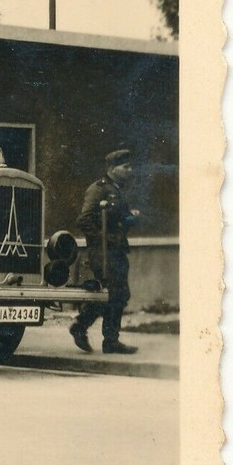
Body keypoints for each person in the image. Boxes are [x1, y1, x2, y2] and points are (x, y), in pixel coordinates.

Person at [70, 149, 140, 354]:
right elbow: (84, 219)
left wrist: (130, 218)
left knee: (119, 294)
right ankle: (93, 332)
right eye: (125, 167)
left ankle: (100, 335)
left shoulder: (117, 189)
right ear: (112, 168)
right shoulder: (98, 189)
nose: (130, 170)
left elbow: (118, 218)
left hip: (117, 250)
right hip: (102, 252)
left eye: (130, 166)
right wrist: (103, 239)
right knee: (110, 293)